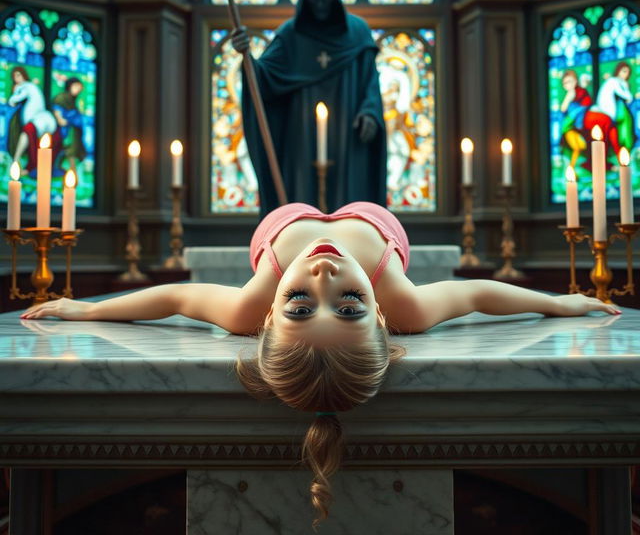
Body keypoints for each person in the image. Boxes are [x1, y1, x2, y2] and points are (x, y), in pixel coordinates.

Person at [21, 201, 618, 527]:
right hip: (373, 223)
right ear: (381, 318)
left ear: (268, 321)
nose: (326, 277)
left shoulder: (250, 304)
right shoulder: (403, 302)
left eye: (301, 305)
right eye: (352, 306)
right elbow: (485, 294)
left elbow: (174, 299)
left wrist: (81, 309)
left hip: (283, 225)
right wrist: (560, 303)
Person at [231, 0, 386, 218]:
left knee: (348, 198)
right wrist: (245, 54)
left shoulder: (357, 32)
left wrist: (370, 111)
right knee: (301, 193)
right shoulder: (290, 35)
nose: (320, 3)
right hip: (300, 133)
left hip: (348, 132)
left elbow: (370, 81)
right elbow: (262, 78)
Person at [52, 77, 87, 173]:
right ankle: (71, 170)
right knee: (69, 147)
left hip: (73, 129)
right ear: (69, 86)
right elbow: (57, 108)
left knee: (73, 148)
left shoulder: (74, 100)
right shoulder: (62, 97)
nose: (77, 90)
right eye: (76, 87)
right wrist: (60, 119)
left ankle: (72, 170)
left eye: (79, 88)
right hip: (64, 129)